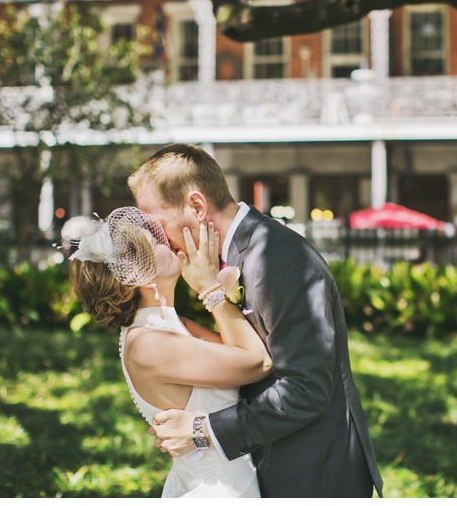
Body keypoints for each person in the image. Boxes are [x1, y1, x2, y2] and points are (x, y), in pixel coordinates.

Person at [128, 144, 384, 498]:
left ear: (197, 207)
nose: (155, 236)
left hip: (311, 475)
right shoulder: (216, 260)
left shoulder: (278, 257)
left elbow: (306, 389)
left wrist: (203, 429)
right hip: (265, 468)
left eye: (155, 223)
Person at [69, 206, 271, 497]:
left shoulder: (171, 326)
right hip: (215, 491)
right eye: (156, 242)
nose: (167, 239)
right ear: (140, 275)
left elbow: (249, 358)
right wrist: (211, 290)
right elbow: (257, 362)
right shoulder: (147, 344)